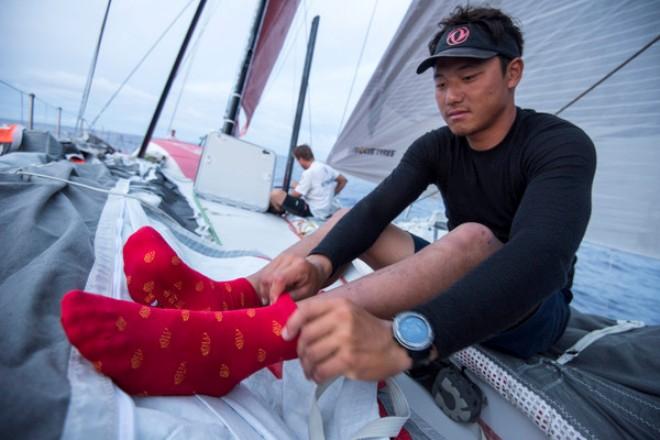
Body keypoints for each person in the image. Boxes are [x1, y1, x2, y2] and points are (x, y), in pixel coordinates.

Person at [60, 5, 597, 396]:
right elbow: (373, 211)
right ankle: (230, 298)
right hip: (466, 271)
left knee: (474, 238)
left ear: (513, 73)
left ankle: (246, 342)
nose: (451, 96)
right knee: (347, 221)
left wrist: (411, 340)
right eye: (441, 84)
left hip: (533, 309)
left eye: (471, 77)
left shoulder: (559, 145)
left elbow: (542, 258)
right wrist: (319, 262)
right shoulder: (439, 146)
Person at [269, 144, 347, 219]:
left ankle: (280, 211)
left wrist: (286, 195)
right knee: (296, 185)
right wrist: (332, 194)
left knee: (275, 194)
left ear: (301, 159)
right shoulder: (325, 167)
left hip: (313, 211)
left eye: (297, 160)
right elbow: (343, 180)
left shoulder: (309, 172)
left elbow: (296, 195)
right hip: (325, 210)